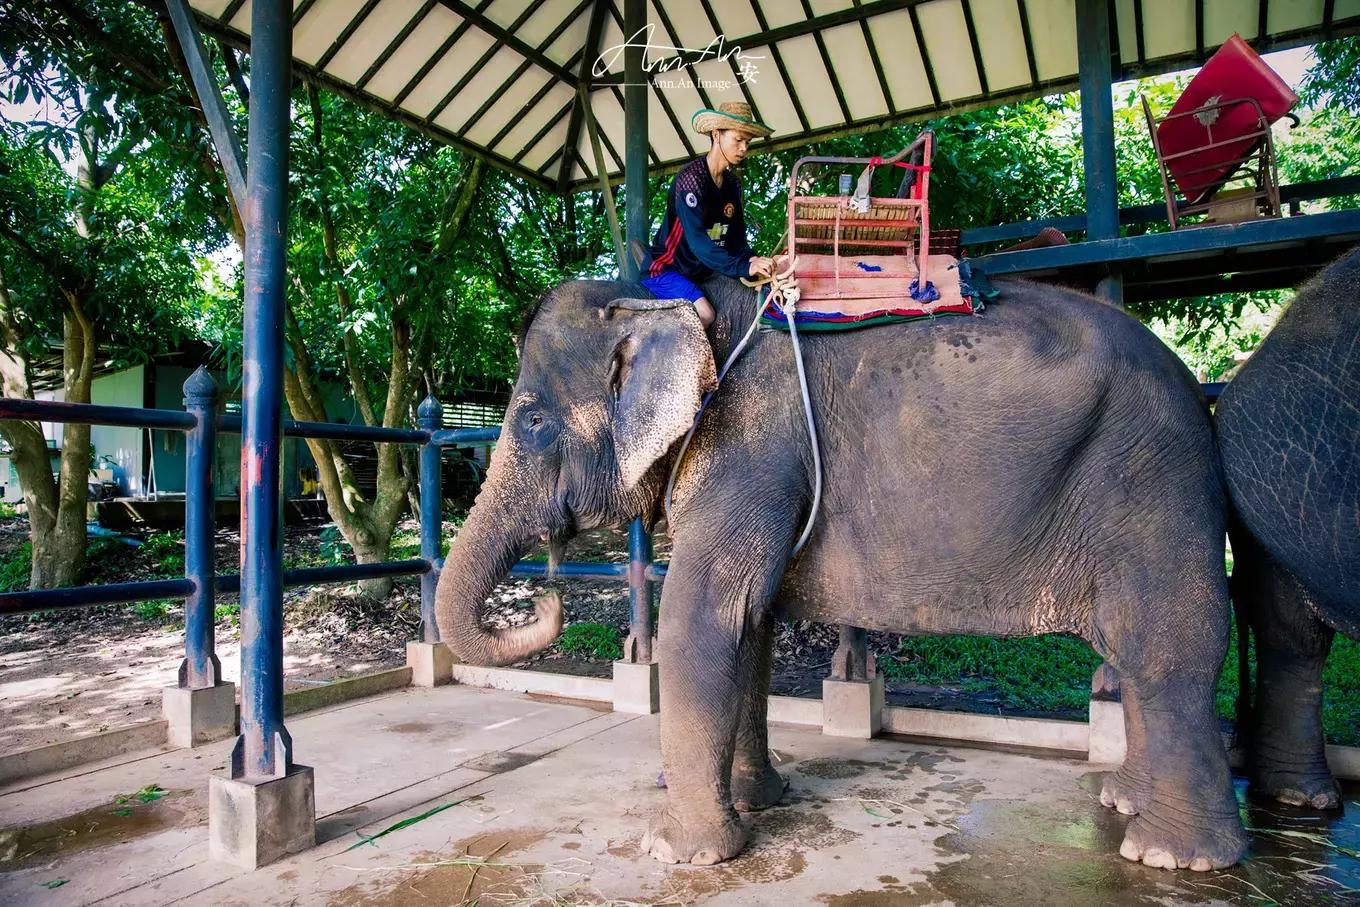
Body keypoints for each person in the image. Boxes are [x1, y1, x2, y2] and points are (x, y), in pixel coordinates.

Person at [640, 101, 775, 326]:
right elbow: (699, 244)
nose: (743, 148)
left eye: (748, 142)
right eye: (738, 140)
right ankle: (672, 361)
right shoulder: (690, 180)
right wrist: (743, 267)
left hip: (701, 272)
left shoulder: (732, 184)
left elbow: (736, 241)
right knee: (706, 314)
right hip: (666, 270)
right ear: (716, 135)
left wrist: (754, 260)